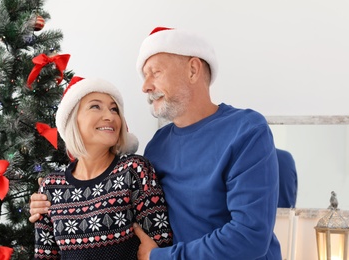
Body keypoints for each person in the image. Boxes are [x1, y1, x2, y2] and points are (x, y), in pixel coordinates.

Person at [30, 27, 281, 259]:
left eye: (155, 73)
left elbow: (250, 236)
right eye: (144, 76)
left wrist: (160, 257)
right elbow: (114, 192)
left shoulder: (246, 131)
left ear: (193, 70)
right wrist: (49, 199)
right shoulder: (158, 146)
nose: (145, 86)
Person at [33, 76, 172, 259]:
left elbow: (160, 245)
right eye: (95, 106)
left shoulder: (134, 170)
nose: (110, 116)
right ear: (72, 119)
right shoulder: (51, 186)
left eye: (114, 109)